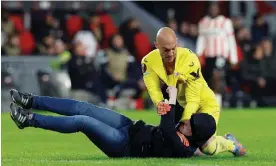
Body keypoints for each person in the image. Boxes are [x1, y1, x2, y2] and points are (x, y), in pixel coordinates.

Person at [9, 87, 217, 158]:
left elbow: (166, 130)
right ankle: (31, 100)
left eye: (191, 124)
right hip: (131, 126)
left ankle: (29, 120)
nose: (186, 122)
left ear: (195, 135)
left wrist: (169, 101)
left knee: (83, 121)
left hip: (123, 145)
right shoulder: (187, 130)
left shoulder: (184, 149)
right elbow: (175, 102)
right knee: (84, 107)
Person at [141, 27, 246, 156]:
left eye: (173, 48)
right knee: (181, 144)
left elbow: (194, 98)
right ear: (156, 45)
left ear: (177, 43)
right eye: (166, 50)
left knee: (207, 148)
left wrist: (182, 125)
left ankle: (231, 144)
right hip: (183, 105)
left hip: (204, 104)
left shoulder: (189, 59)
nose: (170, 53)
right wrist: (159, 103)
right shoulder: (148, 61)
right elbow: (153, 88)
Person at [196, 2, 238, 106]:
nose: (214, 10)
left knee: (217, 76)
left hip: (221, 55)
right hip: (209, 56)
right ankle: (213, 102)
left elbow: (231, 39)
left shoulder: (225, 22)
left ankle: (218, 103)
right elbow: (201, 40)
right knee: (210, 79)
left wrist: (233, 57)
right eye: (212, 7)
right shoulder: (203, 22)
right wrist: (198, 54)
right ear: (209, 9)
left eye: (216, 7)